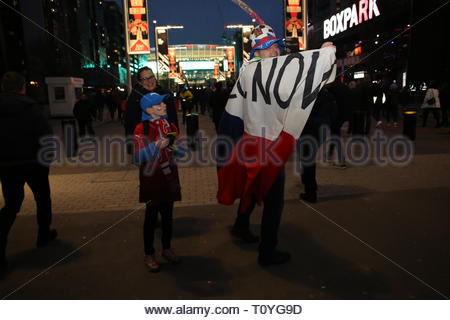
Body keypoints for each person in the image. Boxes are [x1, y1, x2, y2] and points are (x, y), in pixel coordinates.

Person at [218, 24, 336, 266]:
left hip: (250, 143)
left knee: (252, 189)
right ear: (256, 52)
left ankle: (241, 226)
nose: (273, 52)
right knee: (274, 202)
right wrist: (325, 54)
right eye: (266, 48)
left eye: (275, 47)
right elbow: (308, 75)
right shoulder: (261, 72)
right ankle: (267, 251)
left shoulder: (247, 71)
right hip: (268, 145)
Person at [0, 71, 57, 273]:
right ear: (22, 87)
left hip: (7, 165)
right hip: (34, 162)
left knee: (12, 203)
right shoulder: (31, 108)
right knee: (42, 198)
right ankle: (43, 234)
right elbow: (45, 135)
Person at [134, 92, 184, 272]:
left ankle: (167, 248)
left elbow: (180, 151)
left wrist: (177, 148)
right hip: (152, 176)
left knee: (168, 216)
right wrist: (155, 146)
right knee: (151, 216)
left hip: (169, 173)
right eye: (158, 105)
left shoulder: (169, 124)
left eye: (163, 104)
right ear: (148, 109)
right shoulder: (142, 128)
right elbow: (138, 157)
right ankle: (149, 253)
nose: (163, 107)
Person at [124, 67, 179, 154]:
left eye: (151, 77)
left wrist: (171, 140)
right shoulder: (134, 99)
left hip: (165, 142)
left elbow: (172, 120)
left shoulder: (165, 94)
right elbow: (130, 123)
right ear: (140, 82)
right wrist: (132, 147)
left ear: (155, 78)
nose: (149, 81)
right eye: (145, 79)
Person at [299, 86, 338, 203]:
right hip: (322, 129)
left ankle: (310, 192)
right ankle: (309, 184)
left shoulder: (307, 94)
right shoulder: (327, 94)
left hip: (309, 129)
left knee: (307, 160)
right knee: (308, 158)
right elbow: (335, 113)